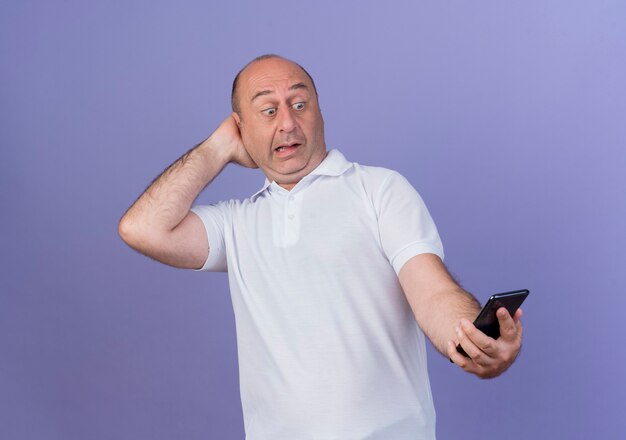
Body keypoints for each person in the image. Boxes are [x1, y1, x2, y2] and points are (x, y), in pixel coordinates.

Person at [118, 54, 524, 439]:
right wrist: (218, 147)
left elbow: (433, 291)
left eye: (299, 103)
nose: (288, 123)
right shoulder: (236, 223)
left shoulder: (379, 190)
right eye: (268, 111)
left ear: (320, 112)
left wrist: (471, 342)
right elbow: (142, 228)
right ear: (241, 127)